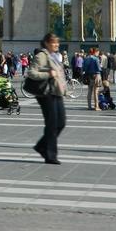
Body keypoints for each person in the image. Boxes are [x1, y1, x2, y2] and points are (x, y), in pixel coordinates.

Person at [25, 33, 68, 165]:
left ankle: (41, 146)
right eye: (54, 42)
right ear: (47, 43)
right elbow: (31, 72)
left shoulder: (54, 56)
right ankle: (50, 155)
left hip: (57, 92)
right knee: (52, 124)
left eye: (57, 42)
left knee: (61, 122)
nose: (57, 44)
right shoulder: (41, 55)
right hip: (46, 94)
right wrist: (48, 74)